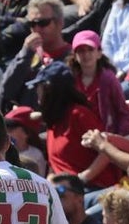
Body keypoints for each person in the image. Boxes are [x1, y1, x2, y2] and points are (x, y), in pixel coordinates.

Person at [33, 62, 118, 192]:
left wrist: (81, 179)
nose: (36, 92)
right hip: (63, 193)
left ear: (49, 89)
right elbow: (54, 164)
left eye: (39, 86)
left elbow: (106, 151)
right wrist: (50, 183)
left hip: (93, 189)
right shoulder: (54, 120)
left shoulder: (79, 114)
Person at [0, 0, 72, 111]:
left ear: (59, 23)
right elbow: (6, 90)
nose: (37, 29)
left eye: (43, 23)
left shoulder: (72, 56)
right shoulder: (28, 55)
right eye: (32, 24)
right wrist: (25, 54)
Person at [67, 30, 129, 136]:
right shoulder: (70, 80)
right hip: (78, 136)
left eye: (90, 50)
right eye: (81, 51)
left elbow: (124, 113)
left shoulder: (108, 79)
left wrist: (118, 138)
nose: (86, 54)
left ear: (99, 53)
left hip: (104, 138)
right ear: (75, 55)